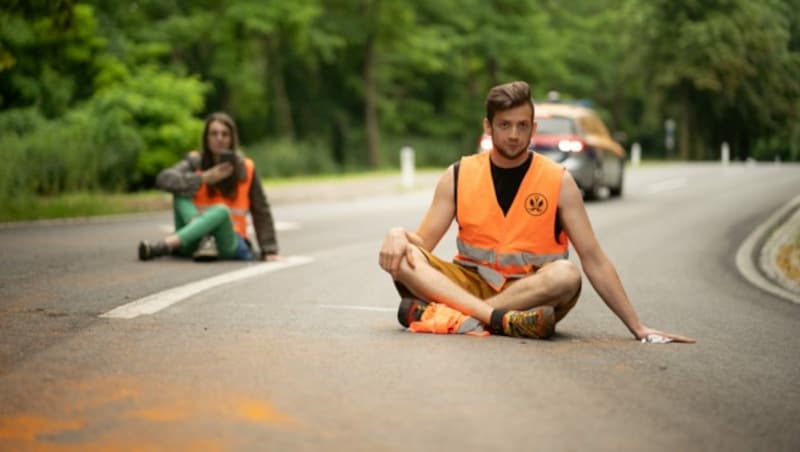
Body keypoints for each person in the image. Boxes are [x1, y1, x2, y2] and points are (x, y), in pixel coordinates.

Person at [378, 81, 694, 342]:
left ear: (533, 127)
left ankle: (458, 317)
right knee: (406, 257)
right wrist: (397, 235)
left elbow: (593, 258)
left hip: (530, 291)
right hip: (470, 282)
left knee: (567, 274)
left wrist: (637, 327)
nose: (514, 135)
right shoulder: (458, 174)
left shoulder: (560, 181)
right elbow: (422, 245)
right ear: (488, 127)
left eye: (521, 125)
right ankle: (499, 321)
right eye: (504, 125)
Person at [138, 112, 280, 262]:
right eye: (214, 134)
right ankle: (201, 238)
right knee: (180, 192)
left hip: (230, 239)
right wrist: (203, 178)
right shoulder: (195, 162)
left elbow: (261, 210)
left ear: (232, 139)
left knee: (221, 210)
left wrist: (269, 249)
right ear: (206, 138)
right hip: (195, 240)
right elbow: (163, 179)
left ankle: (163, 246)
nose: (219, 138)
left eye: (225, 134)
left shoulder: (246, 167)